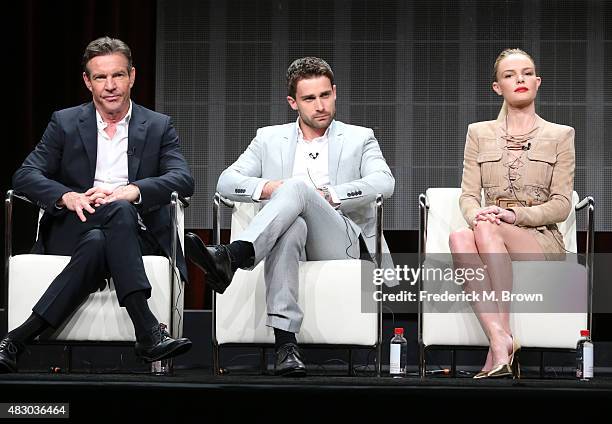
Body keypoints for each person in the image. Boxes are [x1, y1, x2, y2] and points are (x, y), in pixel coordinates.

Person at [185, 57, 395, 376]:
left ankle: (234, 254)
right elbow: (225, 182)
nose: (320, 105)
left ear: (335, 92)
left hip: (342, 242)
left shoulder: (359, 137)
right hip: (289, 236)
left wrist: (330, 196)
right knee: (291, 224)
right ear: (292, 102)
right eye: (309, 99)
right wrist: (269, 187)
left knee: (298, 189)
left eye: (325, 95)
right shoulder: (269, 138)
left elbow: (384, 182)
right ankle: (286, 345)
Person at [0, 36, 195, 373]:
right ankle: (147, 331)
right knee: (100, 232)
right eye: (101, 77)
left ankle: (16, 339)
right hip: (75, 225)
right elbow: (25, 175)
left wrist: (133, 191)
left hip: (138, 230)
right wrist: (67, 196)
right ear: (87, 81)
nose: (110, 86)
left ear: (132, 76)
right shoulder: (64, 123)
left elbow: (182, 179)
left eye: (118, 76)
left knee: (110, 226)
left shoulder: (159, 125)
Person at [449, 48, 575, 379]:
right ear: (497, 87)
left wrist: (514, 218)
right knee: (459, 236)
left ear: (537, 82)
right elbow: (468, 195)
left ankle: (501, 340)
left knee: (488, 228)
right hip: (490, 229)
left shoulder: (560, 135)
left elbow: (562, 205)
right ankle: (501, 340)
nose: (519, 79)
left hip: (539, 240)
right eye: (509, 75)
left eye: (526, 73)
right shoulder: (478, 133)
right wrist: (477, 216)